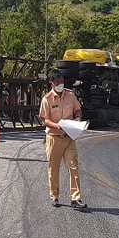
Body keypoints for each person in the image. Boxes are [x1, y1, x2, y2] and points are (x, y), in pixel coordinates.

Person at [38, 68, 86, 209]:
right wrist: (58, 126)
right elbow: (44, 119)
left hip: (69, 137)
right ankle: (54, 196)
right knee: (54, 169)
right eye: (57, 82)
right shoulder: (47, 99)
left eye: (62, 81)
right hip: (54, 138)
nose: (60, 84)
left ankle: (75, 198)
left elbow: (78, 109)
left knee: (73, 167)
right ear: (51, 83)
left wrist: (78, 118)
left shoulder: (70, 95)